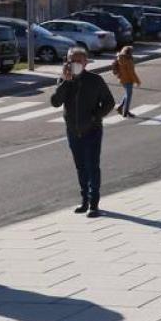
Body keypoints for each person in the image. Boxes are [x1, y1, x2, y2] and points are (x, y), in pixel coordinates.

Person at [49, 47, 115, 218]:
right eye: (71, 60)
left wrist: (95, 117)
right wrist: (66, 81)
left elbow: (109, 102)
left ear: (86, 62)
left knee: (92, 166)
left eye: (79, 61)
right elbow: (55, 102)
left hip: (92, 130)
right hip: (73, 131)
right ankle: (84, 200)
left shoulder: (95, 80)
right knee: (80, 167)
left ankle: (94, 204)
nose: (75, 64)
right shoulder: (64, 80)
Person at [110, 45, 140, 118]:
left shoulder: (119, 58)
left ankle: (120, 107)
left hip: (122, 79)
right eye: (131, 52)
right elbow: (131, 72)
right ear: (129, 52)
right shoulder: (128, 60)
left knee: (127, 94)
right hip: (128, 79)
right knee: (129, 95)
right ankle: (126, 112)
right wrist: (137, 81)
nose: (132, 53)